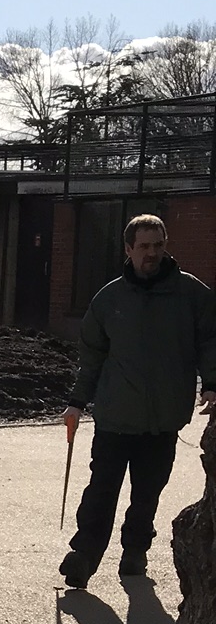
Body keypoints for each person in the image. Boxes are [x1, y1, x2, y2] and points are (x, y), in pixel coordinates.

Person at [59, 213, 216, 587]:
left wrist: (212, 382)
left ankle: (134, 554)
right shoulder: (109, 298)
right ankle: (85, 556)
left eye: (158, 245)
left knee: (147, 494)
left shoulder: (191, 294)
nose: (152, 253)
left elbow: (210, 341)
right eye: (144, 246)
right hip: (116, 416)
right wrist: (76, 403)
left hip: (163, 419)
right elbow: (92, 357)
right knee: (101, 491)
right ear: (128, 249)